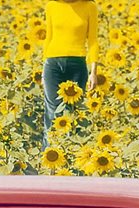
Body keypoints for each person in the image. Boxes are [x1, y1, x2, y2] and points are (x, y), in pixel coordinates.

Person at [42, 0, 99, 143]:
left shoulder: (89, 7)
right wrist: (43, 66)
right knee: (52, 111)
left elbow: (93, 41)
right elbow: (49, 37)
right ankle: (49, 152)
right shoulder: (51, 6)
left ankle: (70, 151)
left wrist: (93, 72)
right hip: (52, 64)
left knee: (73, 112)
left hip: (77, 65)